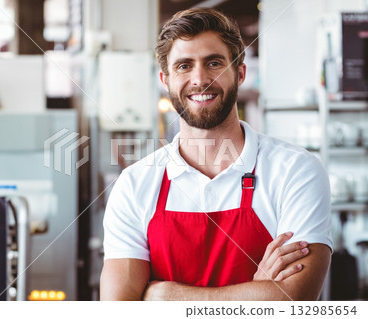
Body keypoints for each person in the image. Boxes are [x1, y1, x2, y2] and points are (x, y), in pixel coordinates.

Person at [100, 8, 332, 301]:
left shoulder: (296, 170)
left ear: (240, 73)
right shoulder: (134, 185)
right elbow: (120, 308)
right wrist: (259, 292)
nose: (200, 79)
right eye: (184, 66)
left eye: (214, 63)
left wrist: (165, 296)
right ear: (165, 80)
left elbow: (291, 300)